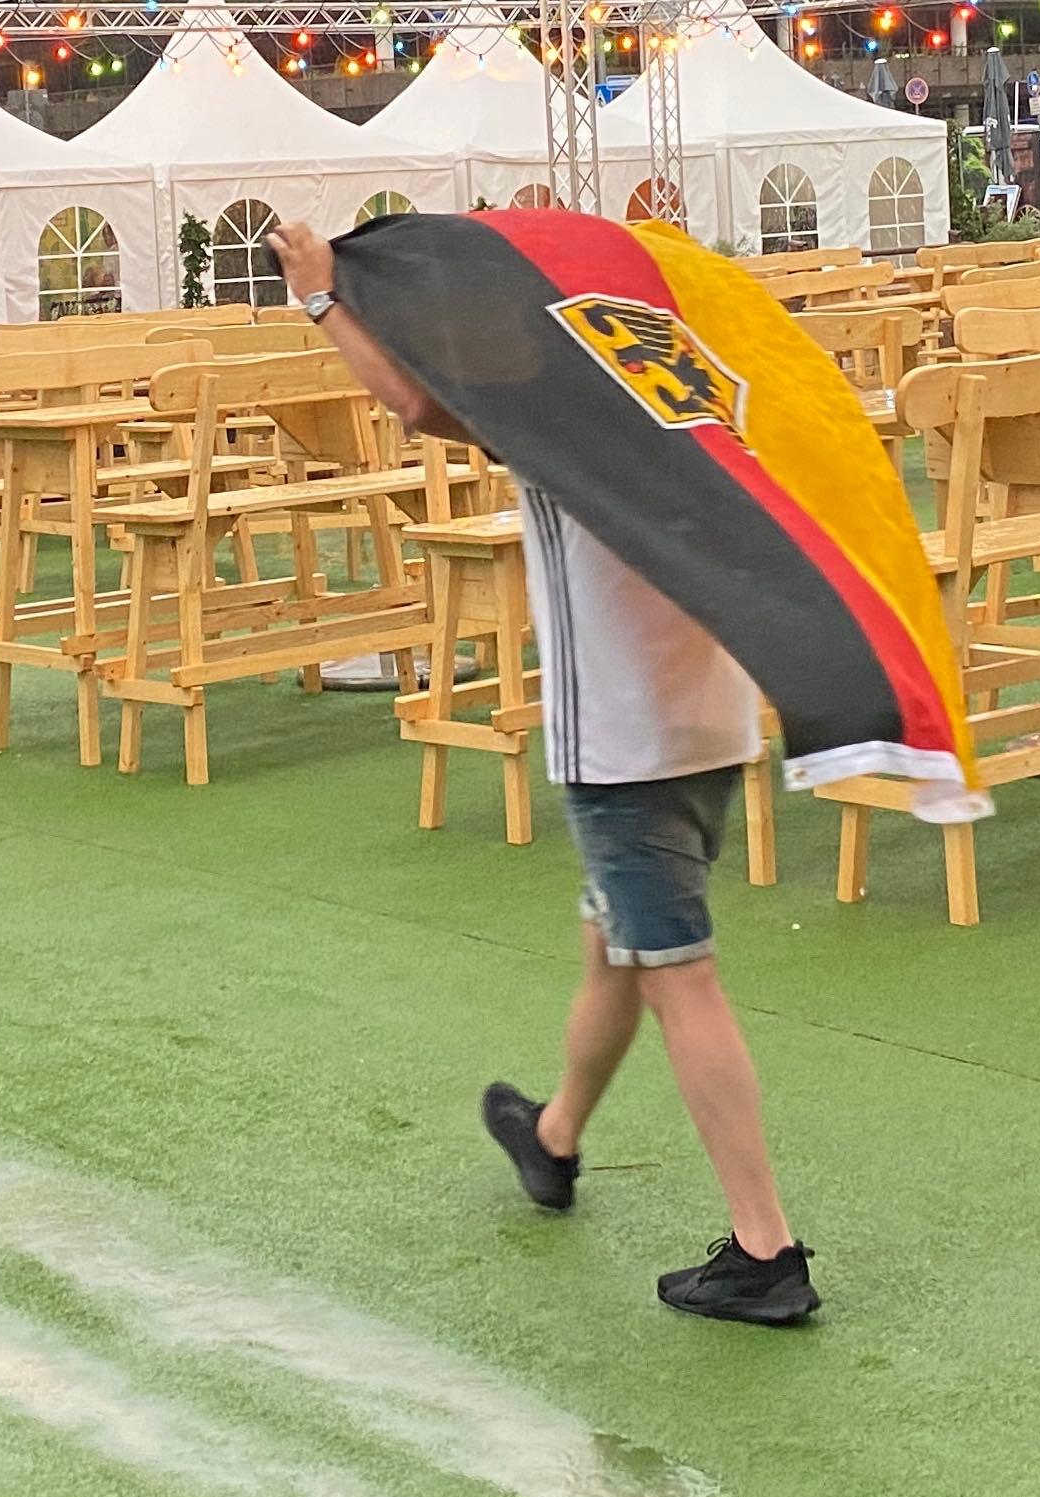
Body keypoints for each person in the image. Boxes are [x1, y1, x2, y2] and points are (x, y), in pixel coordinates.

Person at [267, 222, 818, 1326]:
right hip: (710, 715)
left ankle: (766, 1246)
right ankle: (555, 1136)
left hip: (623, 739)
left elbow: (421, 407)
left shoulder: (558, 404)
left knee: (678, 971)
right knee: (615, 941)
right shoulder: (687, 376)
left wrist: (323, 298)